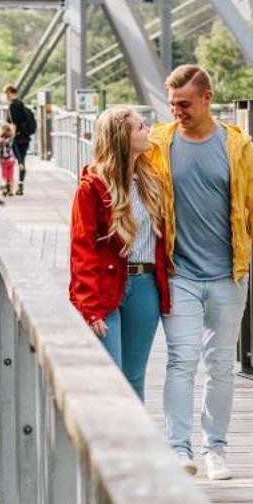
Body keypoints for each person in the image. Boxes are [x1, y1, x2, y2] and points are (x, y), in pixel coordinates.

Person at [150, 64, 253, 482]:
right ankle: (178, 448)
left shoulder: (238, 147)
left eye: (186, 104)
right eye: (173, 105)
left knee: (221, 364)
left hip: (229, 276)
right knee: (181, 360)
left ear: (207, 98)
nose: (178, 112)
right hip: (180, 274)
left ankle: (216, 448)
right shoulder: (158, 143)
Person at [69, 106, 170, 401]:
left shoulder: (151, 181)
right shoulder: (92, 189)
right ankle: (107, 445)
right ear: (122, 138)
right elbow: (82, 249)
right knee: (110, 377)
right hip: (104, 289)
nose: (147, 129)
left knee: (134, 377)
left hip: (144, 286)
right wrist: (89, 306)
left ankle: (137, 446)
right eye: (140, 127)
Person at [3, 84, 37, 194]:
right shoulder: (22, 104)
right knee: (22, 160)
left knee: (15, 160)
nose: (5, 96)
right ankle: (20, 185)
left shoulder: (13, 106)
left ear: (9, 92)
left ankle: (8, 186)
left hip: (17, 137)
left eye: (6, 93)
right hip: (26, 137)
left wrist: (11, 136)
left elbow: (14, 124)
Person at [0, 121, 17, 198]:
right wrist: (12, 127)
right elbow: (13, 132)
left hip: (3, 161)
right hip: (11, 160)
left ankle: (4, 190)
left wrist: (1, 127)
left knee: (4, 176)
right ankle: (11, 192)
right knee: (10, 176)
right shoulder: (10, 139)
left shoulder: (0, 139)